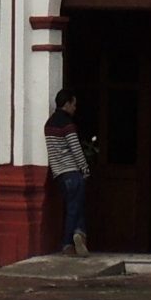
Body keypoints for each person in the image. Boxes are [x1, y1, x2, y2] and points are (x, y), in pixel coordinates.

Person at [44, 88, 90, 255]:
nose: (75, 108)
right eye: (74, 104)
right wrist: (85, 168)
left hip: (59, 174)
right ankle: (68, 241)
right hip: (72, 172)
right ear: (67, 103)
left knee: (74, 206)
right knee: (74, 208)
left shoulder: (49, 125)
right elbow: (76, 149)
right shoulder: (68, 125)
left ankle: (79, 234)